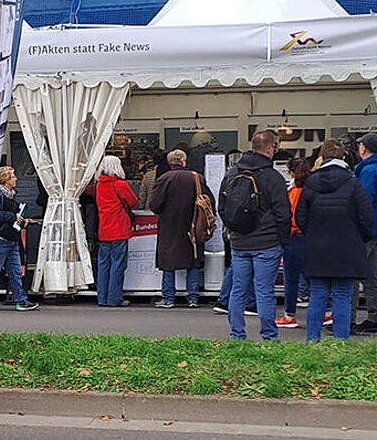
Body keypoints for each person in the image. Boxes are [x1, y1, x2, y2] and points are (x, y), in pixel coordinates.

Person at [296, 140, 372, 341]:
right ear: (343, 158)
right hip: (346, 246)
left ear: (322, 157)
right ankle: (341, 341)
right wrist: (360, 238)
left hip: (317, 247)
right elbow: (366, 216)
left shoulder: (311, 183)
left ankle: (312, 340)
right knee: (342, 295)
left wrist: (312, 234)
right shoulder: (353, 182)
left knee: (318, 294)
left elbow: (300, 217)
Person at [218, 130, 290, 340]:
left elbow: (222, 207)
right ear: (270, 149)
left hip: (239, 242)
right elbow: (283, 213)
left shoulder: (232, 173)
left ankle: (236, 334)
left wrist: (234, 229)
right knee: (264, 291)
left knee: (238, 290)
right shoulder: (273, 177)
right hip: (267, 242)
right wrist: (282, 239)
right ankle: (269, 335)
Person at [148, 149, 209, 308]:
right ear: (184, 161)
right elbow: (209, 201)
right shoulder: (197, 178)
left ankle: (168, 298)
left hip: (169, 226)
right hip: (194, 224)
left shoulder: (164, 179)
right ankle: (193, 297)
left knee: (168, 262)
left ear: (170, 163)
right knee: (193, 260)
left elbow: (154, 205)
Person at [350, 133, 377, 335]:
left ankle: (347, 318)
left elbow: (363, 201)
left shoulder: (368, 171)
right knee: (370, 276)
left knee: (351, 274)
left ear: (364, 148)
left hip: (365, 230)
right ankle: (375, 317)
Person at [0, 167, 40, 311]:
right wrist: (14, 217)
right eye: (12, 176)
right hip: (3, 237)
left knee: (15, 271)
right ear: (5, 179)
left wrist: (21, 220)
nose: (16, 179)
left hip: (12, 236)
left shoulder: (11, 195)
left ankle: (21, 300)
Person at [94, 157, 137, 308]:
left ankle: (102, 298)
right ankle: (114, 298)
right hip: (119, 229)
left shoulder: (99, 185)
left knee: (103, 265)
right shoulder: (120, 184)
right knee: (118, 265)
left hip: (104, 229)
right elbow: (133, 202)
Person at [275, 158, 312, 329]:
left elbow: (290, 218)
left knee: (291, 279)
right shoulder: (312, 191)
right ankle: (327, 311)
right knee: (313, 278)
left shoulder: (293, 192)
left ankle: (289, 315)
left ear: (291, 173)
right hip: (310, 238)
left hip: (294, 238)